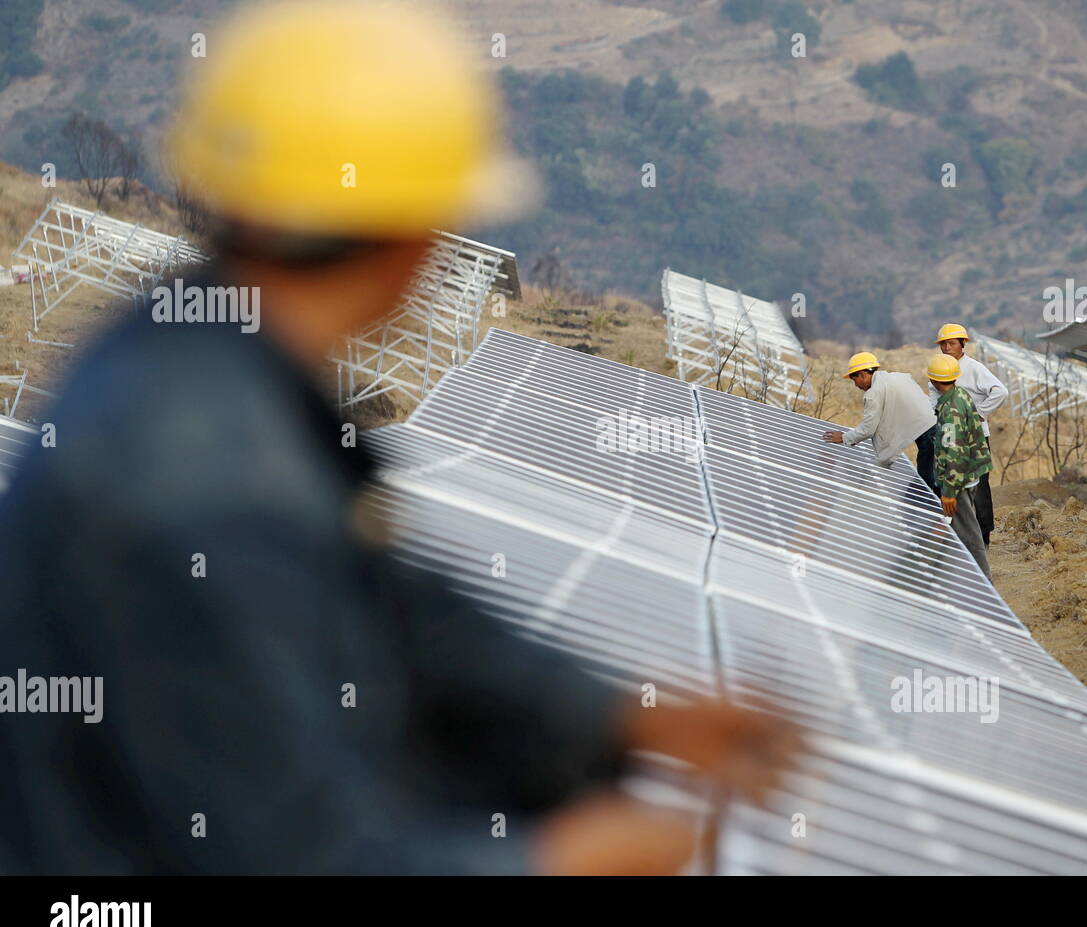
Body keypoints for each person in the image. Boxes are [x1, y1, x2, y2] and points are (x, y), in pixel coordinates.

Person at [0, 0, 793, 875]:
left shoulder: (200, 358)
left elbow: (402, 611)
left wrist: (622, 715)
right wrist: (553, 863)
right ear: (415, 242)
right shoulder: (214, 486)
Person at [928, 324, 1007, 545]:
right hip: (950, 436)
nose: (946, 347)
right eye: (943, 343)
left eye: (951, 343)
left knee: (979, 486)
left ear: (963, 344)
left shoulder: (973, 368)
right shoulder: (938, 369)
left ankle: (984, 535)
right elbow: (932, 405)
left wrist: (979, 413)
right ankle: (957, 535)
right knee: (952, 485)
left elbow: (1000, 391)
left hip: (975, 437)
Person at [822, 352, 937, 489]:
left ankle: (938, 509)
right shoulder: (897, 377)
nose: (856, 386)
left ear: (863, 374)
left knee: (927, 483)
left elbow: (868, 429)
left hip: (929, 436)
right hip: (935, 427)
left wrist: (844, 437)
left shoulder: (874, 392)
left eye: (854, 380)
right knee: (929, 478)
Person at [926, 354, 993, 580]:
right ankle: (961, 576)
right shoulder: (962, 394)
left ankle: (983, 582)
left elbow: (955, 453)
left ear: (935, 381)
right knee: (960, 530)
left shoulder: (950, 410)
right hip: (971, 474)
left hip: (959, 481)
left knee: (970, 535)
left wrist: (949, 492)